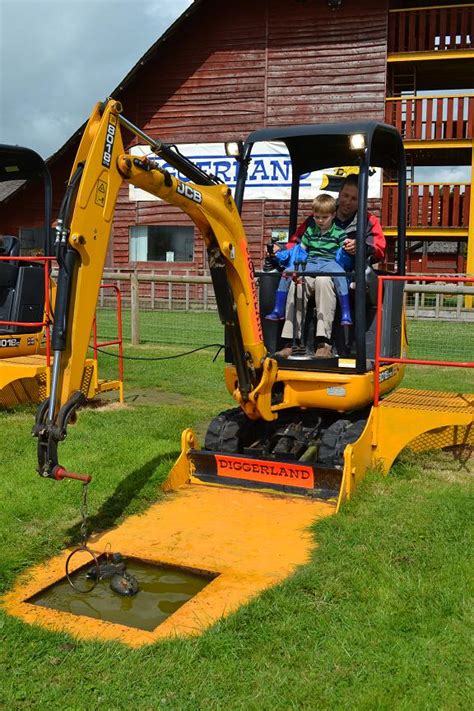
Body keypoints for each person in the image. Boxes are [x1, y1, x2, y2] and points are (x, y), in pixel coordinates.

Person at [277, 174, 386, 358]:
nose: (348, 202)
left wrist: (360, 248)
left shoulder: (368, 221)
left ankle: (324, 343)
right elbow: (297, 242)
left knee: (324, 281)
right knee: (297, 281)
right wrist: (279, 251)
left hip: (345, 277)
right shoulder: (321, 214)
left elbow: (379, 249)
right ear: (339, 193)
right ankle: (291, 341)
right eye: (345, 195)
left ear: (361, 200)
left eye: (354, 198)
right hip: (312, 267)